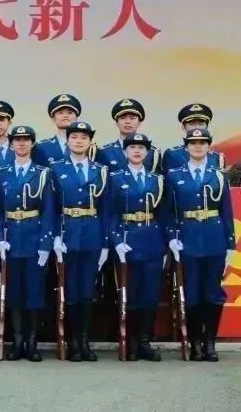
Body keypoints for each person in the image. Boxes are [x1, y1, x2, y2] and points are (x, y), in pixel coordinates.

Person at [164, 128, 235, 361]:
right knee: (192, 292)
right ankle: (195, 342)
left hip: (214, 238)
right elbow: (169, 211)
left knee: (213, 293)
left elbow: (226, 211)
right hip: (188, 238)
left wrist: (230, 245)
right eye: (193, 143)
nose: (198, 146)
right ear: (186, 147)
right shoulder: (174, 176)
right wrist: (172, 237)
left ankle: (209, 342)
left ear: (209, 147)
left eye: (202, 143)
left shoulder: (218, 175)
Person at [0, 125, 55, 362]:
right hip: (10, 239)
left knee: (34, 292)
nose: (21, 143)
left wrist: (45, 244)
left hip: (34, 238)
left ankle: (32, 342)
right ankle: (17, 341)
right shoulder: (1, 172)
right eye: (17, 140)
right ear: (11, 144)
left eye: (26, 140)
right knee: (14, 293)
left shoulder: (43, 173)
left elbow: (49, 211)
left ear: (32, 144)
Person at [50, 121, 108, 362]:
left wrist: (106, 242)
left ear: (90, 142)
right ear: (68, 141)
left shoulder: (100, 170)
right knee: (71, 290)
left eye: (83, 137)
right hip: (68, 234)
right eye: (74, 137)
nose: (79, 141)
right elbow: (51, 207)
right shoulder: (56, 169)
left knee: (87, 291)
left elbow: (106, 210)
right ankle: (72, 342)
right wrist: (55, 236)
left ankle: (85, 341)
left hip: (93, 234)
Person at [108, 133, 164, 362]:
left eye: (141, 148)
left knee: (150, 294)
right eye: (132, 148)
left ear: (147, 153)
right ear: (125, 152)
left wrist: (167, 241)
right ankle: (129, 341)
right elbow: (109, 213)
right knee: (129, 293)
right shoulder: (114, 178)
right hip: (127, 239)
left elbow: (164, 213)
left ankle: (144, 341)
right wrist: (115, 240)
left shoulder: (157, 179)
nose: (137, 151)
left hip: (152, 240)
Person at [97, 99, 160, 174]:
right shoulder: (104, 152)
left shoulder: (152, 152)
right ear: (116, 123)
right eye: (123, 118)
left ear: (139, 123)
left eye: (132, 118)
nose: (127, 122)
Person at [161, 104, 225, 174]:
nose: (196, 127)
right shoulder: (172, 154)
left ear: (207, 126)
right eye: (191, 124)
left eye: (200, 124)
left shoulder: (217, 157)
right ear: (183, 127)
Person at [32, 94, 82, 166]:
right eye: (60, 113)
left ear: (77, 118)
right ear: (53, 119)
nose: (65, 116)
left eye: (70, 112)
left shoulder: (88, 147)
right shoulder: (41, 147)